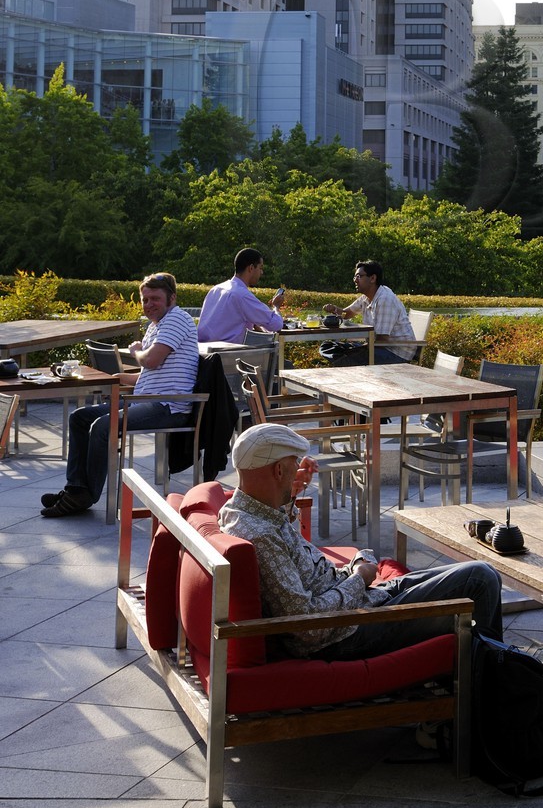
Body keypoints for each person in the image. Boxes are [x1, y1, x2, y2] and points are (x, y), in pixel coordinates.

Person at [218, 423, 502, 658]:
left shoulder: (240, 510)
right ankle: (497, 683)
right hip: (346, 633)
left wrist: (289, 492)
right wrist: (360, 578)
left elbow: (282, 540)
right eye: (293, 464)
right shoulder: (260, 535)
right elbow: (305, 628)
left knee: (477, 575)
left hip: (357, 604)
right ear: (278, 470)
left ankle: (490, 673)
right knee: (480, 577)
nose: (297, 469)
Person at [42, 271, 199, 519]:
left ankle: (86, 496)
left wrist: (137, 351)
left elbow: (153, 360)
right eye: (145, 300)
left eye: (155, 299)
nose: (149, 305)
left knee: (104, 426)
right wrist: (119, 378)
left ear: (172, 298)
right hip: (147, 400)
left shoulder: (177, 319)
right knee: (80, 417)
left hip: (169, 406)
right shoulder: (156, 326)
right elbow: (151, 374)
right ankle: (76, 488)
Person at [324, 259, 416, 365]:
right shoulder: (366, 298)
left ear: (372, 278)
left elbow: (382, 340)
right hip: (375, 347)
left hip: (395, 353)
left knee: (347, 357)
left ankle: (343, 364)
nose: (355, 280)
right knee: (327, 346)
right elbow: (346, 314)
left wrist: (358, 348)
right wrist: (335, 309)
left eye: (359, 276)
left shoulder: (385, 299)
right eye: (355, 276)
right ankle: (342, 362)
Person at [197, 247, 285, 344]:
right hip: (228, 355)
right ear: (251, 268)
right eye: (260, 268)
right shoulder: (242, 295)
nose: (262, 272)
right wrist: (276, 307)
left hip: (203, 353)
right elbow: (276, 324)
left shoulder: (215, 289)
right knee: (279, 356)